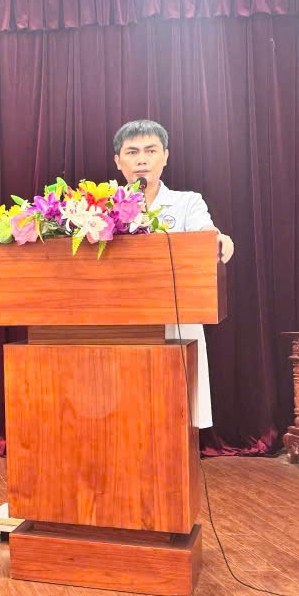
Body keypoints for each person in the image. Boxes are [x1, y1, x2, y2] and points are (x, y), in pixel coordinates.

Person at [111, 119, 233, 429]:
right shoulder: (103, 206)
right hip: (120, 319)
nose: (142, 159)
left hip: (177, 318)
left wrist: (219, 239)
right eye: (132, 152)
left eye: (150, 150)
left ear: (165, 156)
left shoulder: (186, 202)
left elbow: (206, 233)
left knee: (176, 411)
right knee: (123, 410)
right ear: (118, 161)